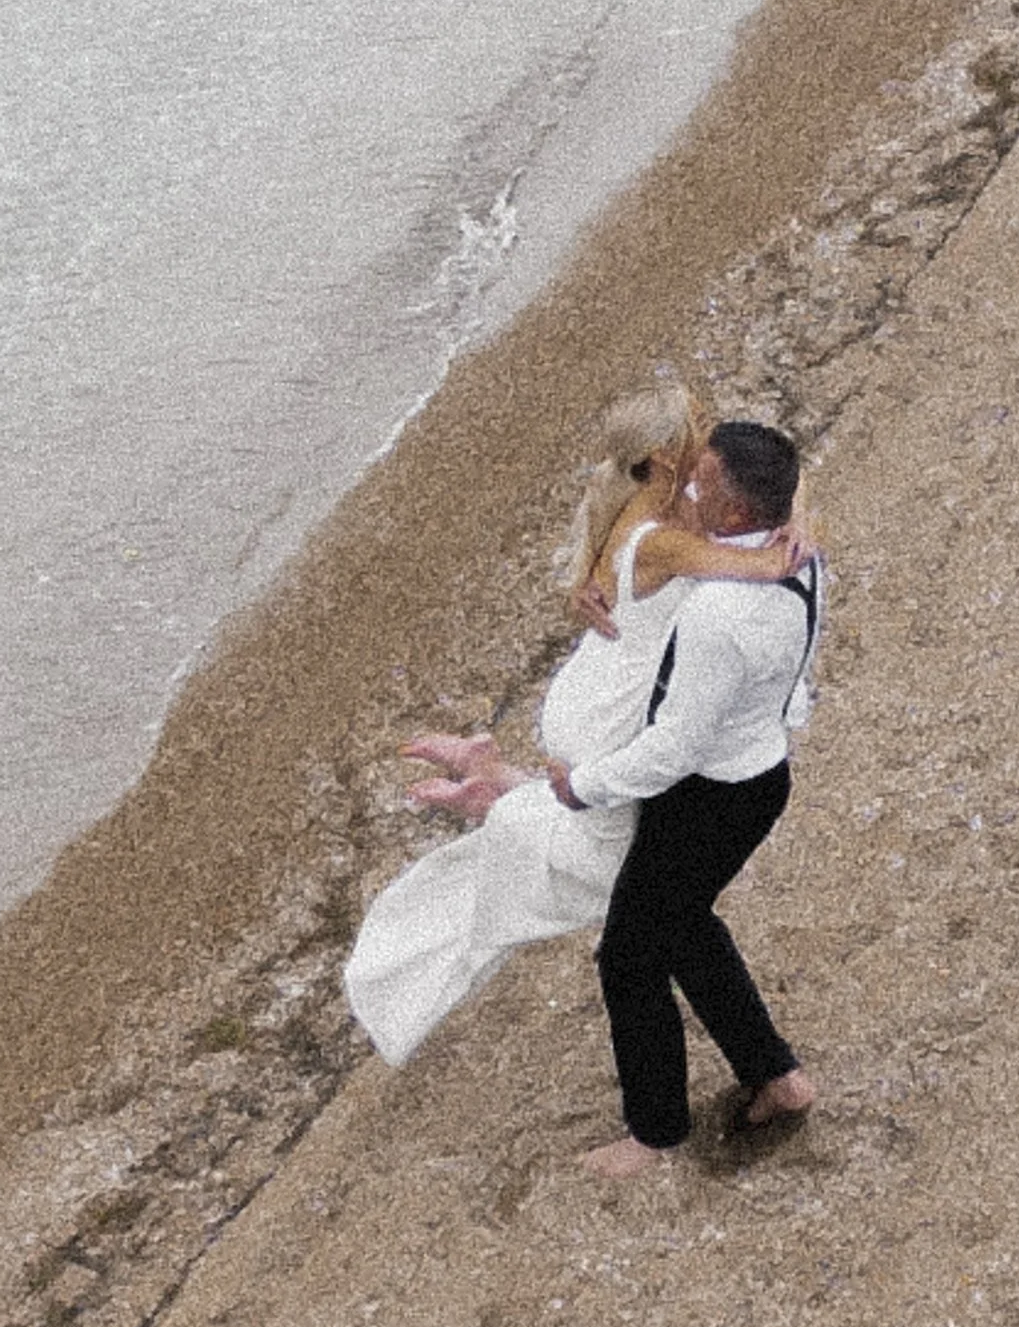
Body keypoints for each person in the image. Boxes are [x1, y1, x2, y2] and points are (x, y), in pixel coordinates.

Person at [340, 388, 807, 1066]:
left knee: (632, 870)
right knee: (616, 876)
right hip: (612, 716)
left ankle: (498, 779)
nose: (708, 442)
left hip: (595, 687)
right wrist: (794, 546)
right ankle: (502, 796)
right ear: (663, 459)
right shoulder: (670, 536)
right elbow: (763, 562)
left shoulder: (629, 503)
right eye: (696, 432)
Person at [547, 417, 822, 1180]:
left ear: (735, 513)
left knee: (629, 955)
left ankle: (654, 1131)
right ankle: (777, 1075)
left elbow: (675, 747)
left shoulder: (719, 615)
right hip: (761, 774)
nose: (683, 490)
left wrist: (583, 788)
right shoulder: (794, 558)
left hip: (710, 797)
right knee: (684, 926)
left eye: (699, 482)